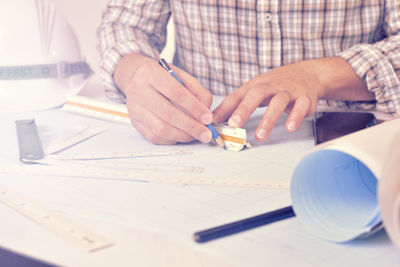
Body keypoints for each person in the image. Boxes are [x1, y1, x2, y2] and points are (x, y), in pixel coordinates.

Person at [97, 1, 400, 145]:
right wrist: (133, 70)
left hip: (353, 139)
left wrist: (319, 75)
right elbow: (124, 24)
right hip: (201, 140)